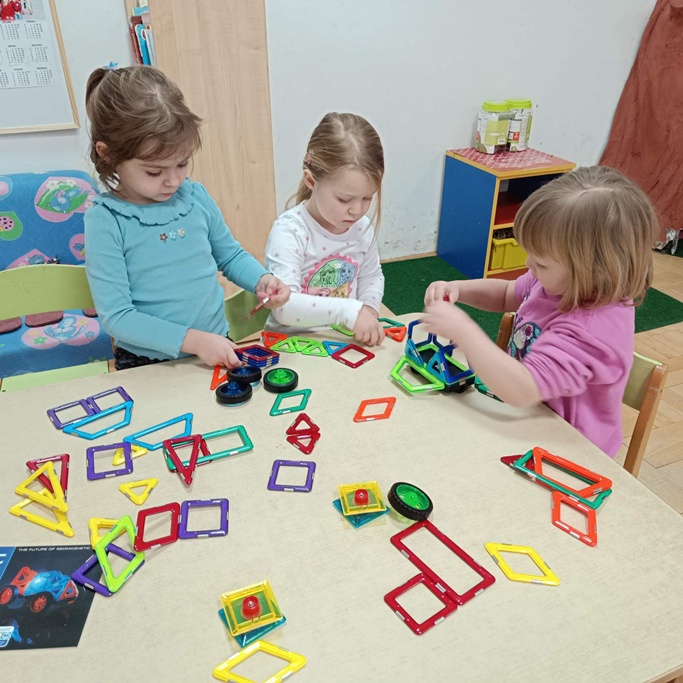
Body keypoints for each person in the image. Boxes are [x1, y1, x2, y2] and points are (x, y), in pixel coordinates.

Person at [422, 166, 657, 457]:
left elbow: (522, 389)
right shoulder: (555, 283)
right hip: (526, 419)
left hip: (571, 451)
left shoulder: (591, 329)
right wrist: (458, 289)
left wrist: (465, 332)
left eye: (542, 262)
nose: (529, 264)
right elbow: (507, 294)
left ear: (594, 270)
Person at [84, 65, 289, 370]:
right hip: (147, 363)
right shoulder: (106, 220)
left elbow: (230, 256)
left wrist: (262, 280)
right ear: (108, 154)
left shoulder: (195, 197)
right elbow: (118, 317)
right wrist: (195, 341)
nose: (173, 181)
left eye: (182, 163)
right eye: (154, 171)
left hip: (215, 347)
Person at [264, 112, 385, 346]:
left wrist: (369, 310)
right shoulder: (290, 232)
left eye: (367, 198)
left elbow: (371, 275)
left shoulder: (361, 228)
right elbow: (283, 307)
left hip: (342, 342)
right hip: (292, 345)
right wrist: (350, 312)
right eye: (344, 199)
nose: (356, 210)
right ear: (311, 181)